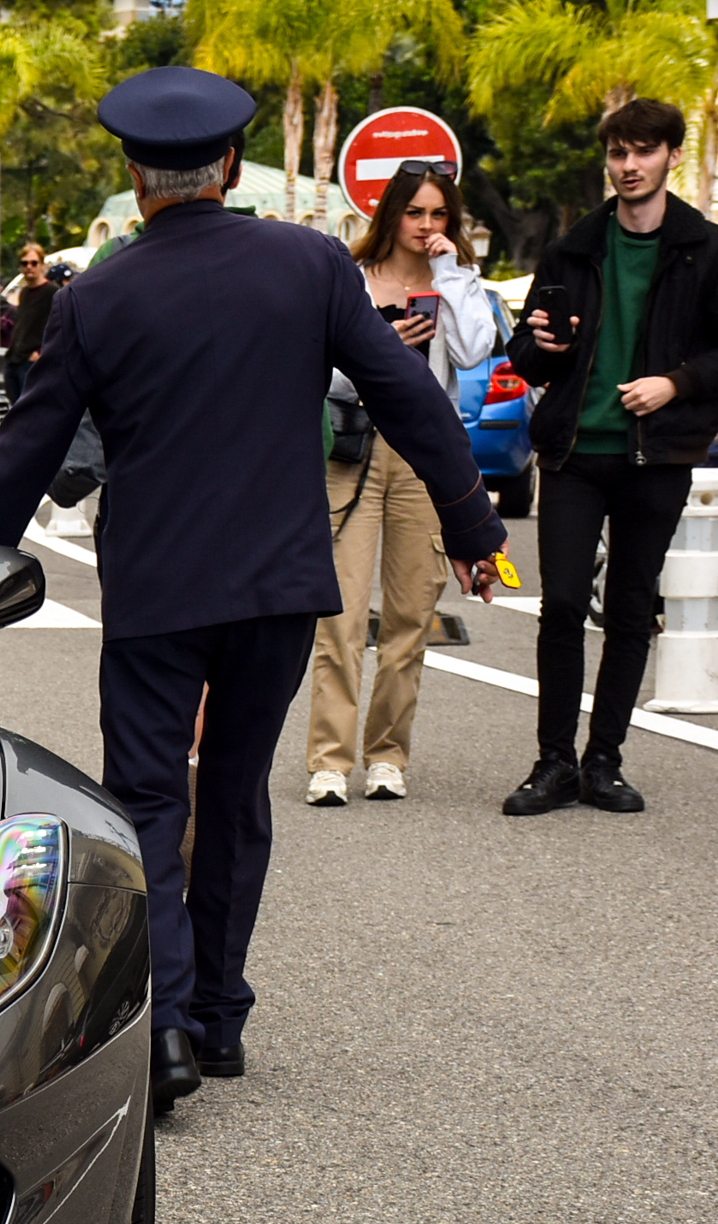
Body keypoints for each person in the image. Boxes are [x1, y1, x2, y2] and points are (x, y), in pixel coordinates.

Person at [0, 65, 504, 1113]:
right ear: (231, 167)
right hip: (275, 584)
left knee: (150, 798)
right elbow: (404, 396)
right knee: (238, 790)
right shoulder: (306, 265)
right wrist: (473, 526)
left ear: (133, 172)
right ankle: (218, 1017)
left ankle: (158, 1030)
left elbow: (30, 444)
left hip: (159, 586)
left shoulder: (97, 292)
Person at [501, 98, 718, 817]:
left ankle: (604, 761)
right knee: (561, 603)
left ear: (670, 158)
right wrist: (541, 345)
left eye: (642, 153)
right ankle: (554, 762)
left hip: (656, 455)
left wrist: (675, 383)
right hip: (572, 449)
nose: (628, 167)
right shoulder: (573, 246)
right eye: (618, 154)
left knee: (629, 610)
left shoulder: (704, 247)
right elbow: (526, 356)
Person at [305, 161, 497, 808]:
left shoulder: (457, 282)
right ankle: (329, 760)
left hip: (424, 454)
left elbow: (476, 351)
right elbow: (320, 372)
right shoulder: (352, 281)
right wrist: (379, 348)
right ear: (391, 214)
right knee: (340, 612)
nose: (425, 225)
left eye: (438, 214)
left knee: (412, 613)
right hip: (354, 451)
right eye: (414, 212)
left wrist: (449, 275)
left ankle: (387, 755)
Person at [2, 243, 56, 402]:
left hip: (32, 361)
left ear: (42, 265)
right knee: (14, 409)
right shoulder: (24, 292)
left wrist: (40, 352)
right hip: (14, 358)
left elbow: (58, 327)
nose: (29, 267)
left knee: (32, 410)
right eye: (24, 263)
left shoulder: (52, 292)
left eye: (34, 263)